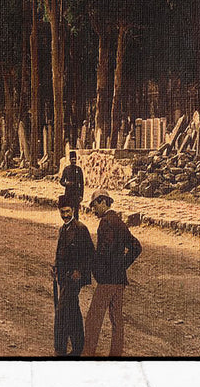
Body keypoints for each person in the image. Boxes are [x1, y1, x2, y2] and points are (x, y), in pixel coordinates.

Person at [82, 191, 141, 358]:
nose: (94, 211)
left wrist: (100, 268)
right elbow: (136, 247)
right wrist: (122, 266)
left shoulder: (106, 223)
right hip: (119, 279)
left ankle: (88, 352)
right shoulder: (120, 222)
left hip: (108, 279)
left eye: (94, 206)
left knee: (94, 316)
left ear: (102, 202)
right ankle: (116, 354)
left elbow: (104, 251)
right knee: (116, 319)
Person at [52, 196, 93, 357]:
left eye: (68, 212)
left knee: (62, 311)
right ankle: (78, 346)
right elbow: (59, 252)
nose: (65, 215)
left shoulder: (81, 229)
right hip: (63, 278)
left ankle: (59, 349)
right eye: (62, 212)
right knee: (73, 310)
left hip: (74, 278)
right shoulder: (62, 229)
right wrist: (55, 267)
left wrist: (80, 271)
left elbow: (90, 254)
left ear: (74, 211)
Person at [59, 150, 85, 216]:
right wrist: (66, 183)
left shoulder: (79, 169)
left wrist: (81, 195)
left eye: (75, 160)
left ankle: (76, 225)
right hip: (68, 193)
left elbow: (82, 184)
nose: (74, 161)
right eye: (72, 159)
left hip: (76, 193)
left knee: (76, 212)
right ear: (70, 160)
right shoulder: (66, 169)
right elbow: (61, 181)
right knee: (68, 211)